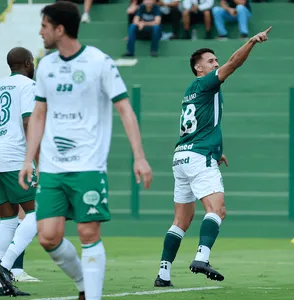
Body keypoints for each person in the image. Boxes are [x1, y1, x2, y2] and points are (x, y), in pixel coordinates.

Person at [15, 2, 151, 300]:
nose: (41, 32)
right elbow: (38, 114)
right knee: (49, 237)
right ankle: (83, 285)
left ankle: (92, 296)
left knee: (89, 234)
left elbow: (125, 108)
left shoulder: (99, 62)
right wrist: (29, 159)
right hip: (51, 167)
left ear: (59, 29)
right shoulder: (47, 65)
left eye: (44, 26)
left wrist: (139, 155)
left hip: (88, 165)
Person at [153, 26, 272, 287]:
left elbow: (200, 126)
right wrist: (251, 42)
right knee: (217, 209)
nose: (216, 63)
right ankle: (201, 258)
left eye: (215, 60)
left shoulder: (190, 91)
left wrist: (216, 151)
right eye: (210, 61)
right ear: (199, 69)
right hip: (198, 156)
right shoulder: (206, 83)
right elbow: (234, 63)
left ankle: (163, 274)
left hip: (182, 157)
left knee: (180, 221)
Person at [0, 46, 41, 296]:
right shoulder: (27, 85)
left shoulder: (0, 84)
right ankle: (5, 266)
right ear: (27, 63)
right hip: (16, 157)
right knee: (41, 211)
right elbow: (28, 121)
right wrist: (36, 159)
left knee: (7, 218)